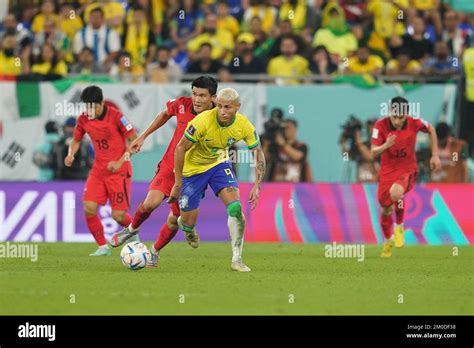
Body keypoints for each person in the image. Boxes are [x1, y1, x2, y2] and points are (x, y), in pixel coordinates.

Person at [109, 77, 218, 267]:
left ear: (213, 98)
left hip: (192, 174)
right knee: (151, 203)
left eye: (202, 96)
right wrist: (142, 137)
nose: (197, 99)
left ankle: (155, 250)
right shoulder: (182, 105)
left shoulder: (217, 116)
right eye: (194, 94)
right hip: (169, 166)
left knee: (176, 220)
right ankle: (131, 229)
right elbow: (164, 114)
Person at [166, 88, 265, 272]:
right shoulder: (202, 121)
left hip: (219, 164)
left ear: (238, 107)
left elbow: (258, 153)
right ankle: (187, 227)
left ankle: (237, 259)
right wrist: (178, 182)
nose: (222, 111)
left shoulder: (244, 125)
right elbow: (180, 148)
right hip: (193, 170)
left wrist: (257, 185)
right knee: (188, 221)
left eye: (227, 107)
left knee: (235, 208)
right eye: (219, 106)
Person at [65, 86, 138, 256]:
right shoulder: (83, 119)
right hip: (98, 171)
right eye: (88, 107)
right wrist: (70, 154)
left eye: (94, 107)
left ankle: (134, 233)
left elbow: (135, 141)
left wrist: (120, 161)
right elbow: (75, 140)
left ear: (102, 103)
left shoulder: (117, 117)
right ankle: (103, 247)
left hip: (119, 171)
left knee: (118, 216)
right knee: (89, 208)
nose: (90, 111)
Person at [371, 97, 441, 258]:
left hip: (407, 169)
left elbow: (431, 129)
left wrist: (435, 155)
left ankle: (400, 225)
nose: (397, 121)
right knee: (386, 208)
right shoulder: (379, 126)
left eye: (400, 117)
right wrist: (386, 145)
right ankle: (388, 241)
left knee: (397, 193)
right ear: (390, 113)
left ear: (406, 115)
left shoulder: (415, 122)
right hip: (387, 172)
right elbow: (374, 151)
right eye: (394, 116)